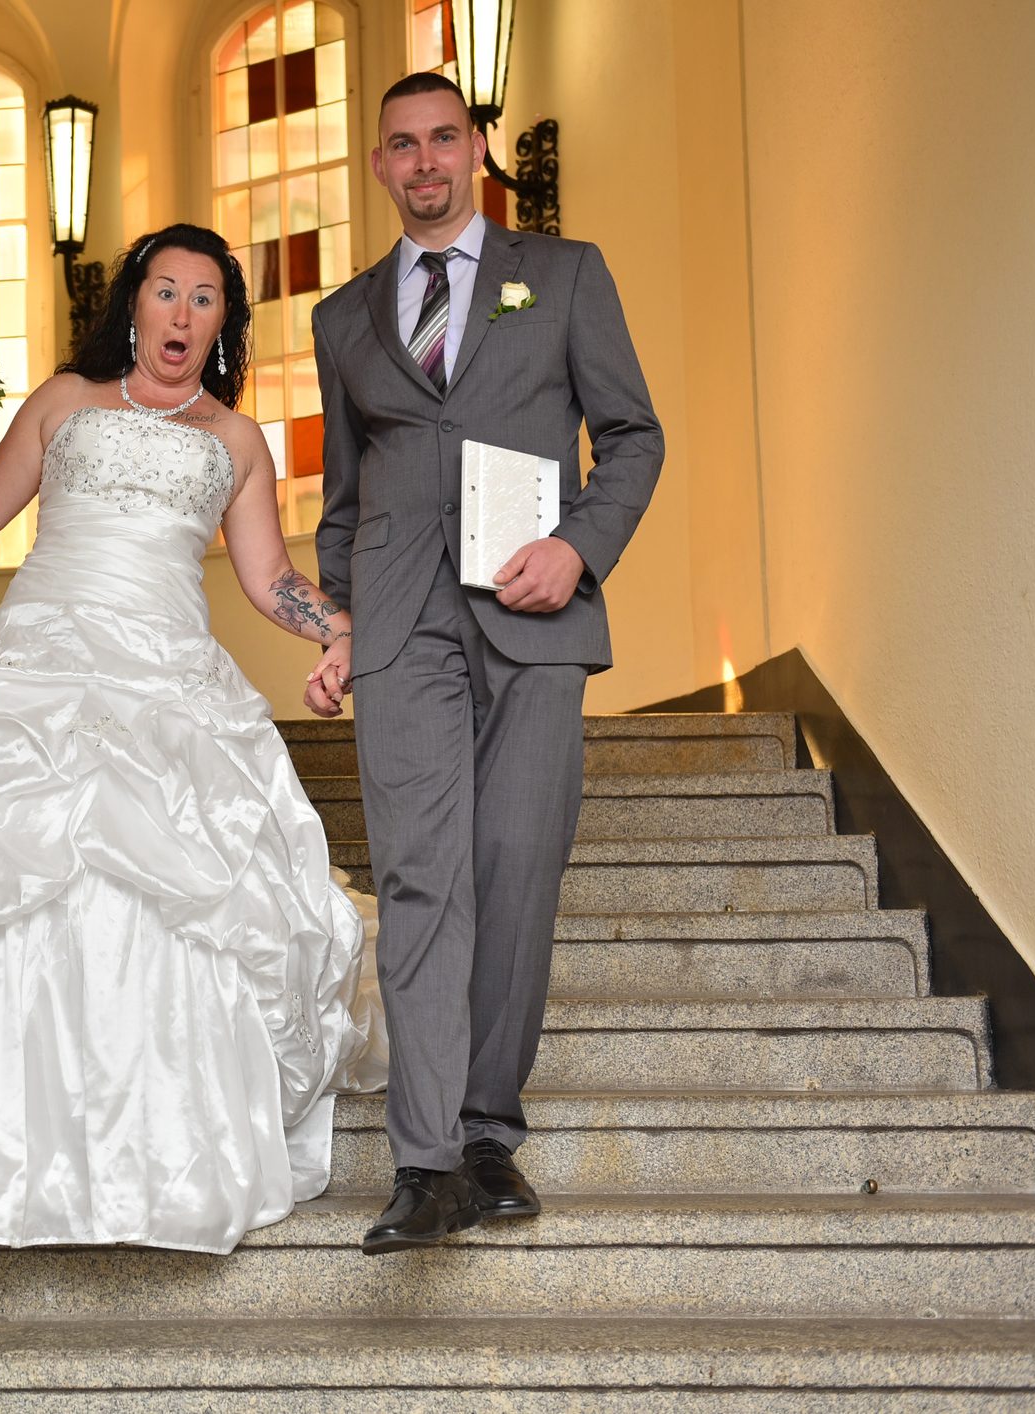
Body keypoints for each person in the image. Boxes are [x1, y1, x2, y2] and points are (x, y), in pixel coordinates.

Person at [0, 222, 386, 1255]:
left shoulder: (238, 440)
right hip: (42, 657)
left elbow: (268, 581)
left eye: (206, 300)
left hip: (169, 672)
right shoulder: (66, 400)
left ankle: (158, 1165)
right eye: (167, 291)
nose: (182, 313)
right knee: (4, 879)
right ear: (135, 303)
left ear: (223, 326)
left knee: (175, 898)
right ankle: (4, 1163)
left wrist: (336, 627)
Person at [306, 71, 662, 1255]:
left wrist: (580, 546)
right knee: (420, 874)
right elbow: (346, 500)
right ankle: (424, 1166)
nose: (423, 164)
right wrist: (343, 625)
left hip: (535, 611)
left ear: (475, 150)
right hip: (404, 625)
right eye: (400, 146)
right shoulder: (344, 316)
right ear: (378, 165)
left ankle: (485, 1129)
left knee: (517, 865)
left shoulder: (562, 275)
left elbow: (632, 434)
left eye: (443, 140)